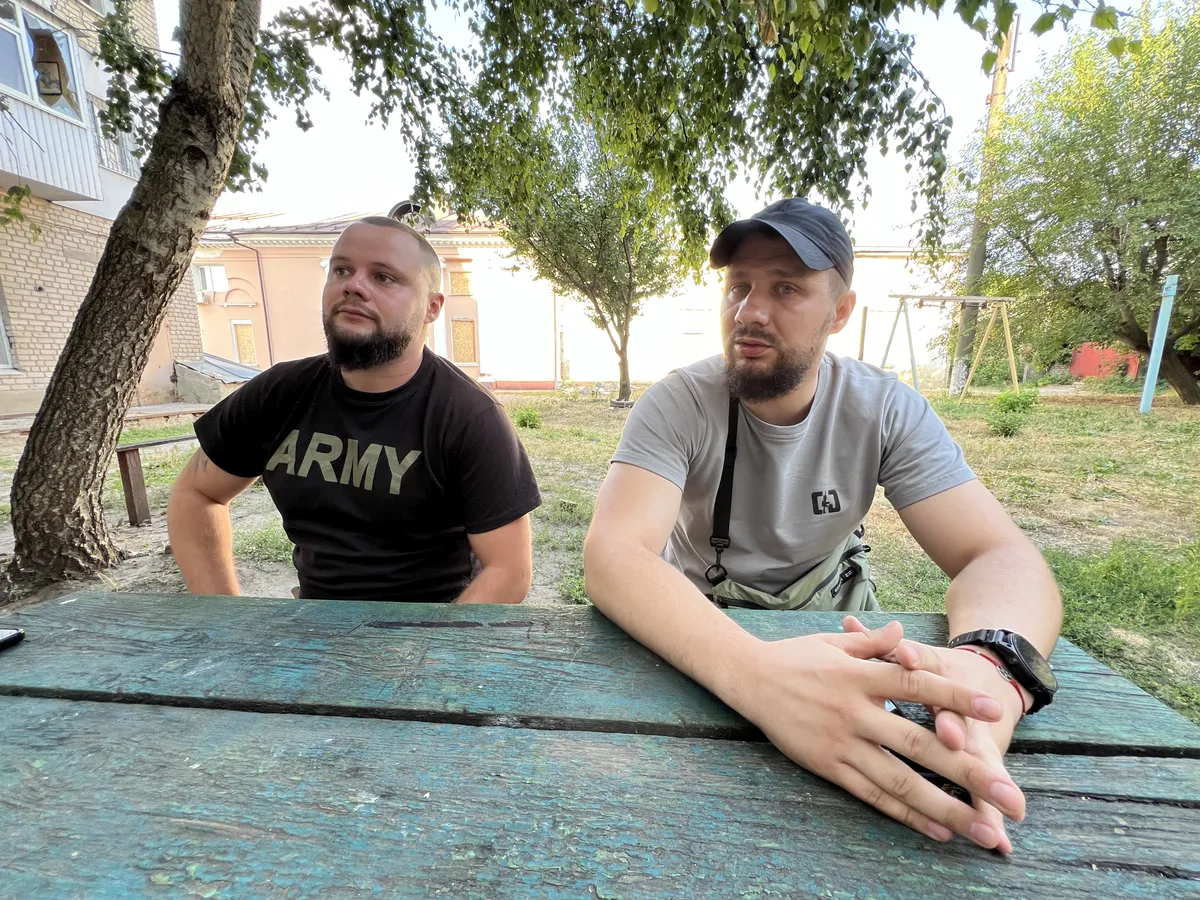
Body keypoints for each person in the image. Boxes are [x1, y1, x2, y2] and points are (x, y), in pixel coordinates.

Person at [583, 199, 1062, 852]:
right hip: (698, 622)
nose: (750, 312)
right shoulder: (678, 402)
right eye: (739, 287)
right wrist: (758, 678)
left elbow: (997, 554)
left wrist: (991, 666)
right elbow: (614, 553)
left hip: (840, 625)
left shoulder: (885, 408)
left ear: (840, 312)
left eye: (786, 289)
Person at [168, 216, 541, 604]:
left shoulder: (469, 417)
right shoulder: (277, 394)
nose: (354, 286)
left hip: (430, 629)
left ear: (432, 308)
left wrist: (431, 655)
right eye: (342, 269)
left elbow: (508, 571)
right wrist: (223, 617)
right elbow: (197, 493)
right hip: (313, 625)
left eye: (384, 277)